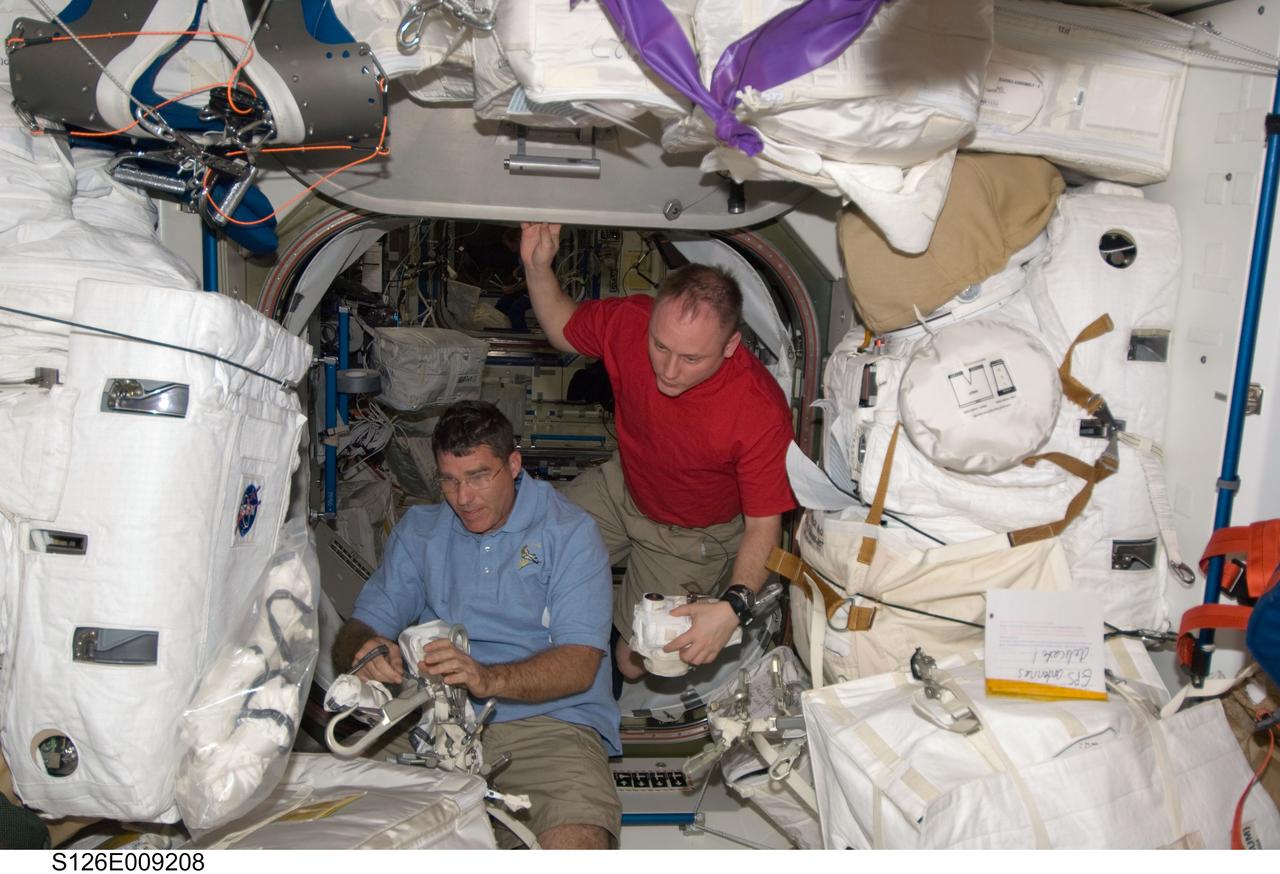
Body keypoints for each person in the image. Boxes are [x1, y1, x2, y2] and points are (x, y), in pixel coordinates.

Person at [332, 400, 621, 850]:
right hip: (432, 718)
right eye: (449, 480)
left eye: (479, 477)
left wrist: (486, 677)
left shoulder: (569, 534)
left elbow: (580, 665)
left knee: (579, 843)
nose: (462, 498)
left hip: (550, 727)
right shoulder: (421, 531)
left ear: (514, 465)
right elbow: (360, 626)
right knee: (330, 824)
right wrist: (366, 649)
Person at [520, 222, 797, 680]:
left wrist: (733, 606)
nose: (668, 370)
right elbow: (564, 329)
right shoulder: (629, 321)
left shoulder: (759, 410)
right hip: (623, 487)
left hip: (692, 536)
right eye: (660, 346)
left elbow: (765, 526)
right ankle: (576, 599)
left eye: (691, 359)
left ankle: (612, 614)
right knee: (526, 556)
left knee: (636, 663)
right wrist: (536, 267)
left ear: (731, 345)